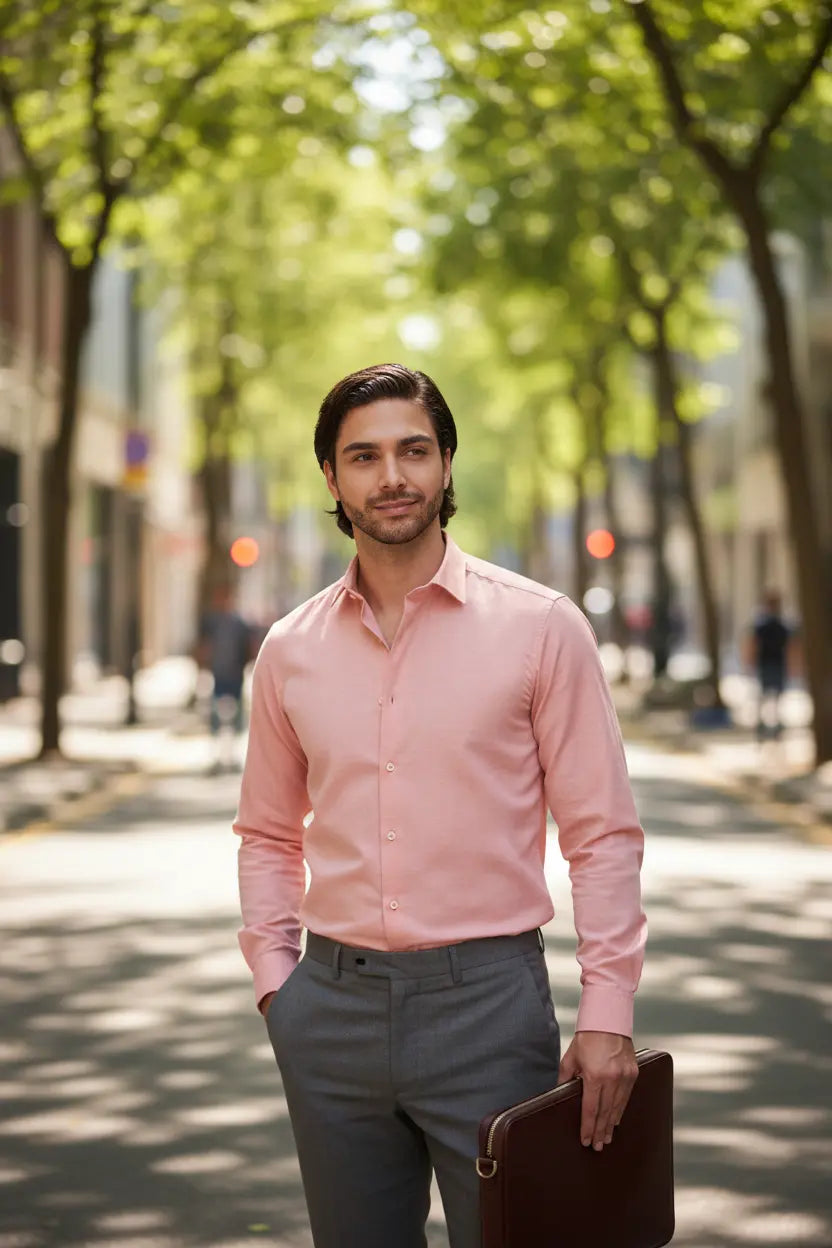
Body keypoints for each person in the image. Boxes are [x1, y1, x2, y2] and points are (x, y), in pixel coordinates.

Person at [233, 364, 647, 1248]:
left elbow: (602, 835)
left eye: (414, 450)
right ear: (333, 481)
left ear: (447, 464)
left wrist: (608, 1015)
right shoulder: (289, 650)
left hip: (490, 1010)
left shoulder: (541, 627)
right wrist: (278, 987)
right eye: (365, 457)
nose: (392, 476)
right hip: (329, 1014)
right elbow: (267, 832)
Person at [197, 583, 252, 766]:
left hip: (235, 675)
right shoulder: (211, 622)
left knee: (236, 718)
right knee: (215, 716)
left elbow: (248, 647)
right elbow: (204, 646)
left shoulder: (240, 624)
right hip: (218, 675)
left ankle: (233, 754)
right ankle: (215, 756)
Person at [745, 588, 795, 740]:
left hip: (776, 663)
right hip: (767, 663)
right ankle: (764, 723)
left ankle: (772, 723)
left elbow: (791, 647)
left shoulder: (782, 626)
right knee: (766, 695)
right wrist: (750, 661)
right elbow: (752, 644)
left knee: (774, 696)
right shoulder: (763, 626)